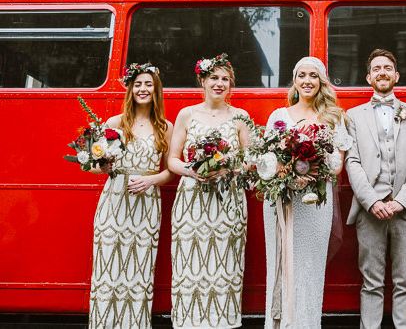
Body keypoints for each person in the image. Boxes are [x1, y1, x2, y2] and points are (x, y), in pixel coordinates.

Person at [263, 56, 349, 329]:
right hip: (282, 202)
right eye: (302, 75)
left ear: (321, 81)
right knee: (280, 262)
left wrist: (310, 169)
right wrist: (287, 171)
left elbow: (337, 165)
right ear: (295, 80)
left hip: (314, 204)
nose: (307, 81)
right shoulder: (279, 117)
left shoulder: (333, 117)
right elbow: (265, 161)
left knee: (309, 267)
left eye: (313, 76)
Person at [345, 49, 406, 329]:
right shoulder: (353, 116)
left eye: (388, 68)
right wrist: (371, 201)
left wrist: (401, 201)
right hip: (370, 211)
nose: (382, 72)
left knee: (405, 281)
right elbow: (352, 161)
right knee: (371, 282)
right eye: (377, 68)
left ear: (396, 75)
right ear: (369, 77)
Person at [168, 53, 251, 329]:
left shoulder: (240, 117)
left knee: (225, 264)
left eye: (225, 79)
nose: (219, 83)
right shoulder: (186, 114)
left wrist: (228, 167)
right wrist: (193, 170)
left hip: (229, 201)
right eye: (213, 78)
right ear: (202, 80)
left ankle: (222, 322)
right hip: (191, 200)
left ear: (231, 84)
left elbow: (251, 160)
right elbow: (172, 159)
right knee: (189, 264)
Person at [88, 62, 173, 329]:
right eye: (138, 84)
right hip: (114, 200)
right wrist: (102, 165)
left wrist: (151, 180)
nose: (143, 89)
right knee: (108, 266)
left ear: (156, 89)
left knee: (139, 268)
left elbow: (170, 171)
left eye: (148, 84)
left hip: (147, 203)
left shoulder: (165, 127)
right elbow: (93, 164)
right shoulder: (115, 122)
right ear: (130, 89)